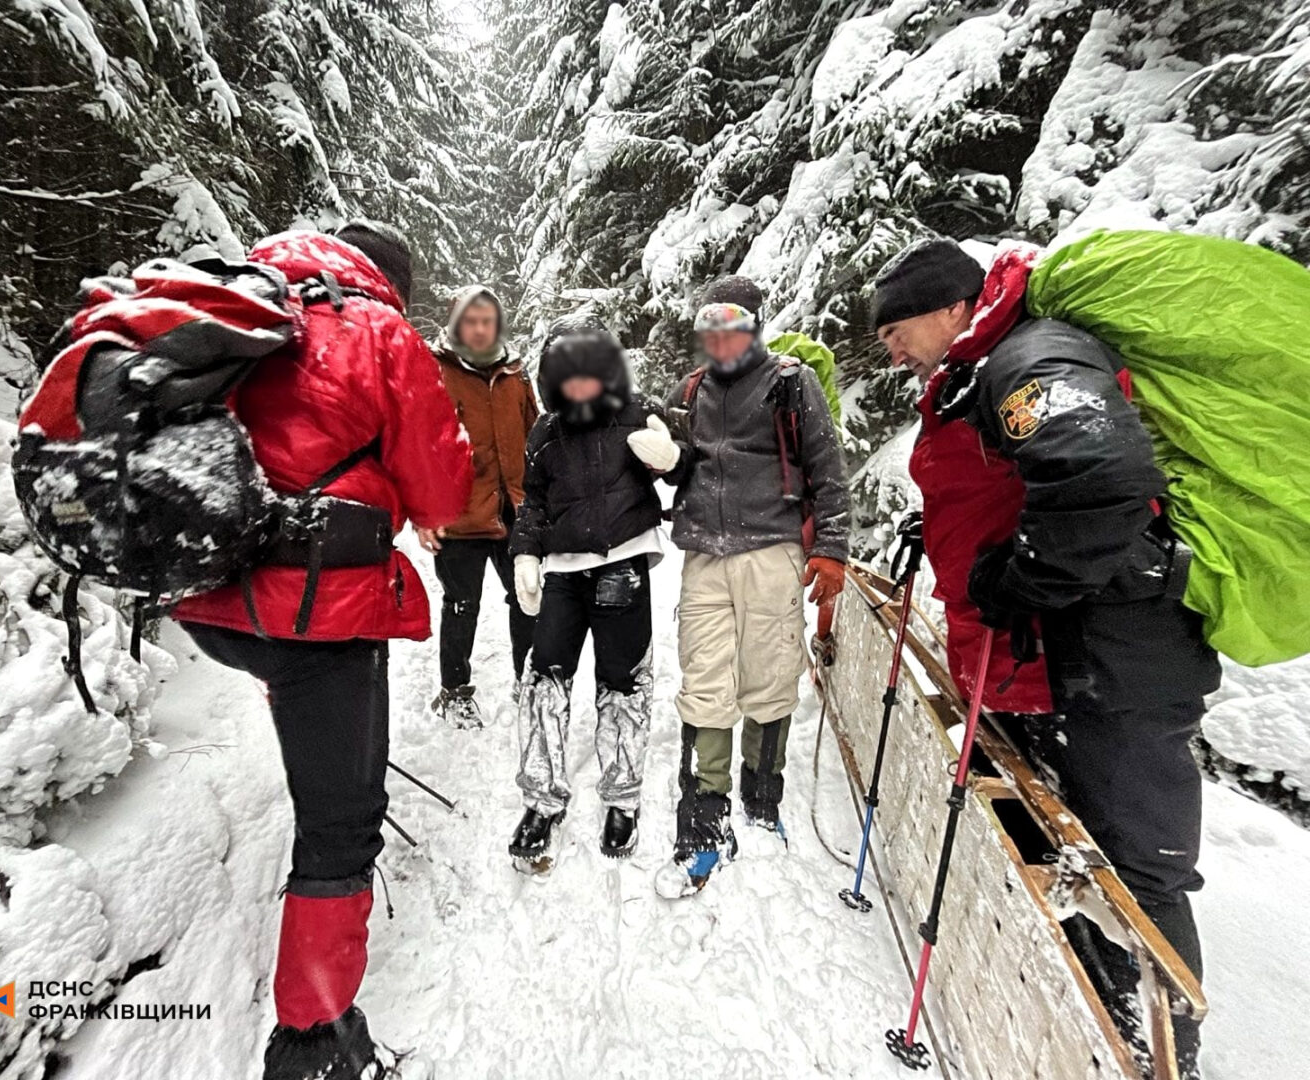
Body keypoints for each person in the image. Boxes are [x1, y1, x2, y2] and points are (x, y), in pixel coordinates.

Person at [871, 235, 1220, 1076]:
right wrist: (952, 534)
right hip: (1058, 659)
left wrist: (1021, 579)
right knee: (1068, 851)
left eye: (898, 328)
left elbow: (1098, 474)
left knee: (1130, 875)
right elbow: (1015, 483)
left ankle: (1153, 1055)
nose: (889, 347)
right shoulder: (982, 371)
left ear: (956, 308)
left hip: (1111, 661)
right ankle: (1089, 1041)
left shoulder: (1032, 354)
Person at [172, 222, 473, 1080]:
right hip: (318, 613)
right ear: (390, 282)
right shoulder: (380, 330)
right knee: (339, 827)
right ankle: (314, 1045)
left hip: (208, 599)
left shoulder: (237, 305)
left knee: (290, 682)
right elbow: (441, 482)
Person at [645, 276, 851, 898]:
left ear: (755, 324)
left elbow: (827, 468)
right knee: (704, 678)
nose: (721, 332)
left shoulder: (791, 382)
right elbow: (686, 463)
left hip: (773, 550)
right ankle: (705, 812)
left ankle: (763, 795)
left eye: (732, 319)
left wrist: (832, 549)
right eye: (710, 320)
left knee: (768, 674)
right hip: (705, 553)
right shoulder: (692, 389)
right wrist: (664, 455)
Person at [506, 317, 665, 867]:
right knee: (544, 682)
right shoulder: (546, 431)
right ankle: (541, 799)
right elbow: (533, 501)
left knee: (622, 684)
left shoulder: (637, 412)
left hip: (623, 563)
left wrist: (673, 455)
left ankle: (622, 795)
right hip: (563, 573)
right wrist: (524, 551)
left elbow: (684, 461)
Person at [418, 285, 538, 727]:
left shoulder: (515, 375)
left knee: (526, 596)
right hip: (460, 513)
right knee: (461, 603)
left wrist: (541, 499)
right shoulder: (435, 374)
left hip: (514, 509)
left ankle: (527, 679)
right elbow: (420, 446)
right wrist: (424, 511)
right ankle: (455, 691)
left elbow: (535, 435)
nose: (480, 328)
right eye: (471, 321)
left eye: (488, 320)